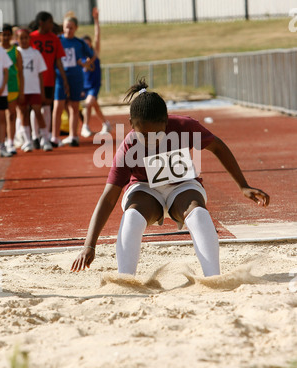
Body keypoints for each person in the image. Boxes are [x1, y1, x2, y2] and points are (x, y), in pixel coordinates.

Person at [71, 79, 270, 277]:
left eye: (158, 133)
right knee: (131, 216)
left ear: (166, 121)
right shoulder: (128, 148)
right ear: (131, 125)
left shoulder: (185, 126)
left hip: (182, 185)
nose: (151, 140)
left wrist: (243, 185)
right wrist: (90, 245)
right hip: (144, 189)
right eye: (144, 135)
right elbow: (109, 197)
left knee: (199, 213)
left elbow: (217, 146)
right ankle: (125, 279)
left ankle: (213, 277)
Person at [51, 11, 95, 147]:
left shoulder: (79, 43)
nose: (68, 30)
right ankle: (54, 137)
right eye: (66, 27)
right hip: (60, 77)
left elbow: (92, 56)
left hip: (76, 77)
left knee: (74, 106)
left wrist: (84, 63)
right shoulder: (58, 41)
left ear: (76, 28)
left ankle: (73, 136)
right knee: (58, 106)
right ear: (62, 27)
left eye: (71, 27)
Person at [29, 11, 68, 148]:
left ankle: (45, 136)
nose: (52, 25)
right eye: (50, 22)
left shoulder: (54, 38)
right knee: (35, 108)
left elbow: (58, 61)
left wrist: (64, 79)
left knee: (46, 108)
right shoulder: (30, 37)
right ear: (41, 23)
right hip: (33, 80)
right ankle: (35, 136)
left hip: (49, 79)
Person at [17, 29, 52, 152]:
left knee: (38, 112)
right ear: (17, 40)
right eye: (21, 38)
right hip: (21, 90)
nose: (24, 40)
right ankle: (28, 141)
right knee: (23, 113)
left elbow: (40, 75)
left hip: (34, 88)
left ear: (30, 39)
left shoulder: (36, 53)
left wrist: (42, 92)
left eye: (26, 37)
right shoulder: (16, 53)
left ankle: (45, 139)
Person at [80, 7, 111, 138]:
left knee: (88, 104)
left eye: (88, 45)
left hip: (94, 85)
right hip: (84, 86)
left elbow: (97, 37)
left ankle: (85, 126)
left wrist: (96, 20)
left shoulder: (95, 54)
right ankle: (106, 123)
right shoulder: (80, 57)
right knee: (95, 107)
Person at [0, 24, 24, 155]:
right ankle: (1, 141)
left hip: (13, 87)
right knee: (0, 116)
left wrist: (21, 91)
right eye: (3, 34)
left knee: (11, 115)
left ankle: (10, 142)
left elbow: (20, 72)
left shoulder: (16, 52)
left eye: (8, 34)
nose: (5, 37)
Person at [0, 44, 13, 157]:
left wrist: (2, 87)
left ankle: (2, 145)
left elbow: (6, 71)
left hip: (1, 91)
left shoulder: (1, 51)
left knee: (1, 117)